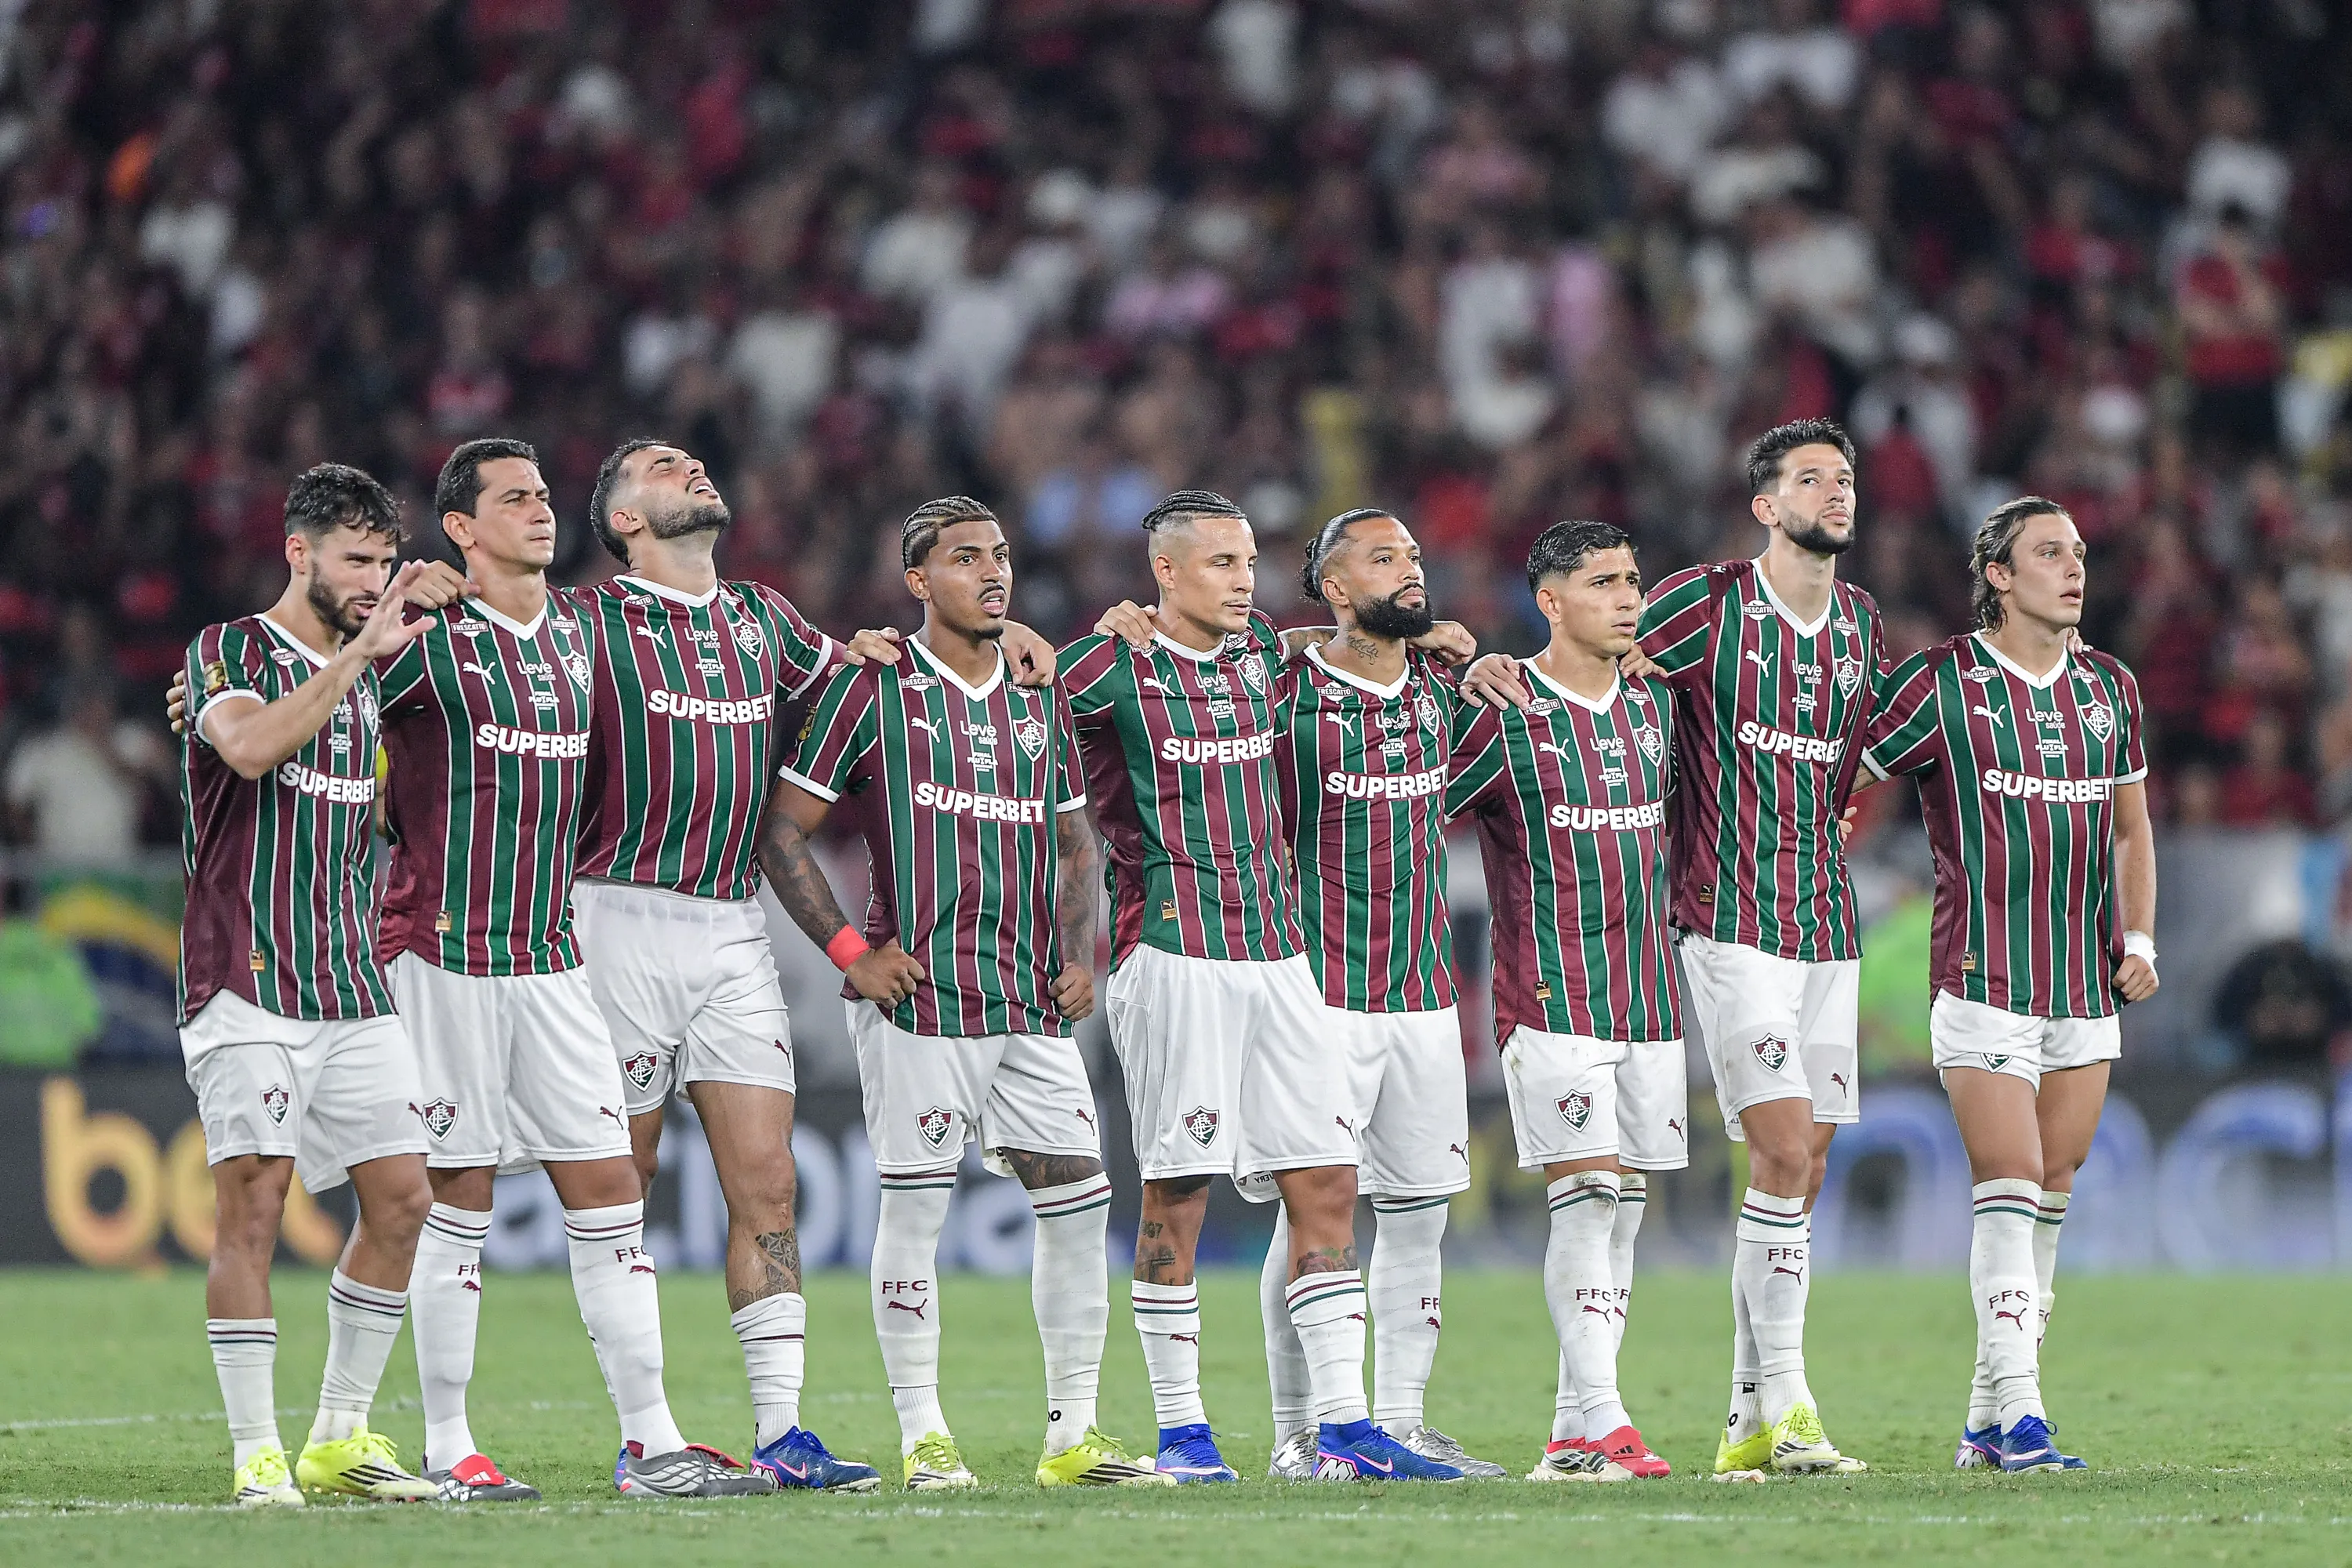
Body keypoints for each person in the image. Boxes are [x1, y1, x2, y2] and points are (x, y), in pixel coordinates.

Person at [385, 438, 768, 1499]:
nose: (541, 511)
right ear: (461, 529)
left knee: (609, 1192)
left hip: (554, 957)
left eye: (546, 495)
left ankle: (652, 1443)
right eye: (514, 500)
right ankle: (448, 1444)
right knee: (453, 1198)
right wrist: (220, 700)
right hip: (444, 953)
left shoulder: (579, 636)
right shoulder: (428, 637)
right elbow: (328, 711)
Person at [758, 496, 1165, 1490]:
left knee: (1078, 1201)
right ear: (918, 582)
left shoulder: (1039, 695)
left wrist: (1082, 953)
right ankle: (924, 1434)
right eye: (965, 557)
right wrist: (854, 951)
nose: (992, 572)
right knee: (914, 1213)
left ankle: (1073, 1434)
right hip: (920, 999)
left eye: (1001, 556)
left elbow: (1077, 840)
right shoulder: (873, 690)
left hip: (1029, 1001)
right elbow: (782, 829)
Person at [1058, 491, 1461, 1483]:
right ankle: (1184, 1432)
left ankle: (1343, 1424)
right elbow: (1002, 703)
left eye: (1248, 562)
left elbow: (1362, 650)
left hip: (1284, 959)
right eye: (1221, 564)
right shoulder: (1108, 665)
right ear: (1164, 573)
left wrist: (1452, 643)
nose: (1244, 580)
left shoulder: (1266, 659)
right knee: (1179, 1190)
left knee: (1327, 1178)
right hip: (1171, 952)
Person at [1857, 497, 2156, 1473]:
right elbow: (1843, 772)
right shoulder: (1944, 680)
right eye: (2048, 553)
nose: (2073, 569)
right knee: (2013, 1181)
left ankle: (1986, 1422)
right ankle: (2025, 1414)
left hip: (2083, 984)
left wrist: (2142, 935)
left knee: (2054, 1189)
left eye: (2078, 553)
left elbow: (2130, 828)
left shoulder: (2110, 687)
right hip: (1983, 978)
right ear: (1997, 573)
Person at [177, 463, 437, 1505]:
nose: (376, 581)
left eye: (386, 562)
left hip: (348, 981)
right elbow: (244, 749)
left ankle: (338, 1435)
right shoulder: (228, 652)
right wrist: (357, 659)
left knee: (406, 1199)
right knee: (255, 1208)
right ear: (300, 554)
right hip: (244, 978)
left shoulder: (368, 674)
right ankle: (256, 1453)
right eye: (357, 561)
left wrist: (367, 661)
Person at [1258, 508, 1504, 1480]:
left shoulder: (1447, 691)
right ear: (1330, 585)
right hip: (1315, 991)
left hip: (1422, 993)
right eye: (1380, 557)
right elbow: (1216, 653)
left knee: (1418, 1214)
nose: (1408, 570)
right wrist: (1308, 638)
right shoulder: (1280, 691)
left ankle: (1399, 1423)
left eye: (1410, 554)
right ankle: (1302, 1431)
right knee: (1312, 1210)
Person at [1446, 522, 1682, 1484]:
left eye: (1633, 579)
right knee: (1584, 1200)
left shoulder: (1659, 702)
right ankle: (1612, 1417)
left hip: (1649, 997)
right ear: (1550, 601)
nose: (1628, 598)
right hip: (1547, 993)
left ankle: (1567, 1433)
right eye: (1602, 583)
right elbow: (1406, 812)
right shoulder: (1504, 709)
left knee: (1621, 1211)